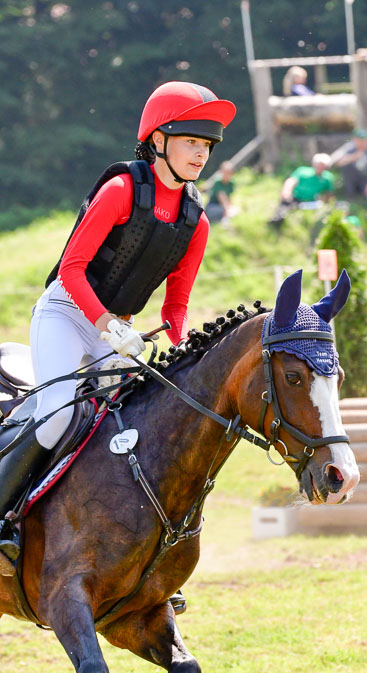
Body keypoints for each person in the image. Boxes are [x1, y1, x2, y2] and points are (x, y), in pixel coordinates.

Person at [0, 81, 236, 561]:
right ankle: (5, 519)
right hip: (66, 313)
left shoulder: (197, 221)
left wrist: (181, 348)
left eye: (206, 145)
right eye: (191, 141)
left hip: (122, 332)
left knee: (130, 429)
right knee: (60, 415)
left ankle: (130, 556)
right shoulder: (120, 190)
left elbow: (175, 308)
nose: (200, 154)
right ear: (157, 141)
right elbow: (70, 270)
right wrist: (107, 325)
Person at [331, 129, 367, 223]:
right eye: (360, 140)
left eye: (364, 140)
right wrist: (354, 157)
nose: (362, 143)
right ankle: (351, 200)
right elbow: (337, 162)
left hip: (366, 179)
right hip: (352, 180)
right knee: (347, 167)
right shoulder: (349, 148)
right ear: (355, 140)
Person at [269, 153, 334, 227]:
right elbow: (291, 181)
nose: (320, 167)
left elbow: (328, 193)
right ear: (314, 164)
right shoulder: (303, 171)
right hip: (297, 197)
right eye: (319, 164)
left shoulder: (327, 177)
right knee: (285, 205)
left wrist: (327, 204)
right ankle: (276, 221)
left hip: (312, 201)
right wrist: (286, 191)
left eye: (323, 166)